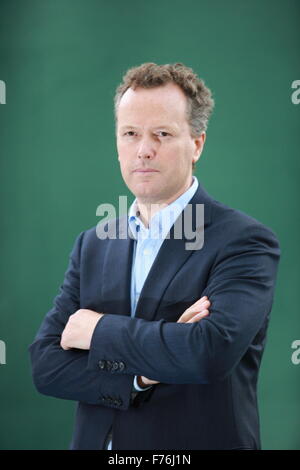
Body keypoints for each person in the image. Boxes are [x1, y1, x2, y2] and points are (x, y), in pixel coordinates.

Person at [28, 62, 280, 450]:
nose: (144, 150)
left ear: (197, 144)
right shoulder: (92, 244)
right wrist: (143, 375)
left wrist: (97, 331)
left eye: (162, 133)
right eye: (130, 134)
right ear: (117, 142)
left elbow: (208, 354)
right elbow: (46, 366)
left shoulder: (245, 241)